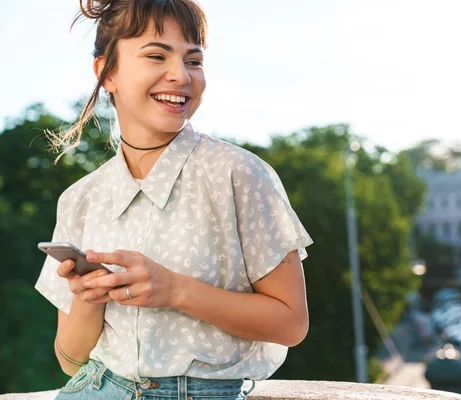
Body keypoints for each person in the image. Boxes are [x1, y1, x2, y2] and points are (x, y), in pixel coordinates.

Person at [34, 1, 313, 399]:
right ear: (106, 72)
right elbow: (70, 360)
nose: (180, 75)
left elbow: (291, 324)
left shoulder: (240, 174)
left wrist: (175, 291)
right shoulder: (80, 198)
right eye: (156, 55)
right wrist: (88, 298)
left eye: (194, 60)